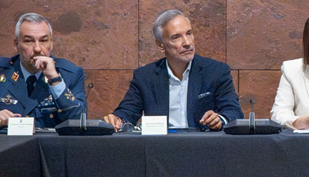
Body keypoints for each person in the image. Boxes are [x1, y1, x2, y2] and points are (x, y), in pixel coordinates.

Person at [103, 10, 243, 131]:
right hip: (161, 149)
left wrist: (220, 119)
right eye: (176, 37)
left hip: (204, 148)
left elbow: (234, 111)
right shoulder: (145, 77)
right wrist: (117, 120)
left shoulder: (216, 71)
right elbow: (128, 112)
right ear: (161, 45)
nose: (187, 42)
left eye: (189, 34)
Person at [0, 12, 86, 130]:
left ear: (51, 44)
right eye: (29, 41)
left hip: (50, 149)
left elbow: (79, 121)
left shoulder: (70, 74)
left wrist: (55, 79)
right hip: (6, 148)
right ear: (16, 45)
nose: (37, 48)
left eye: (43, 41)